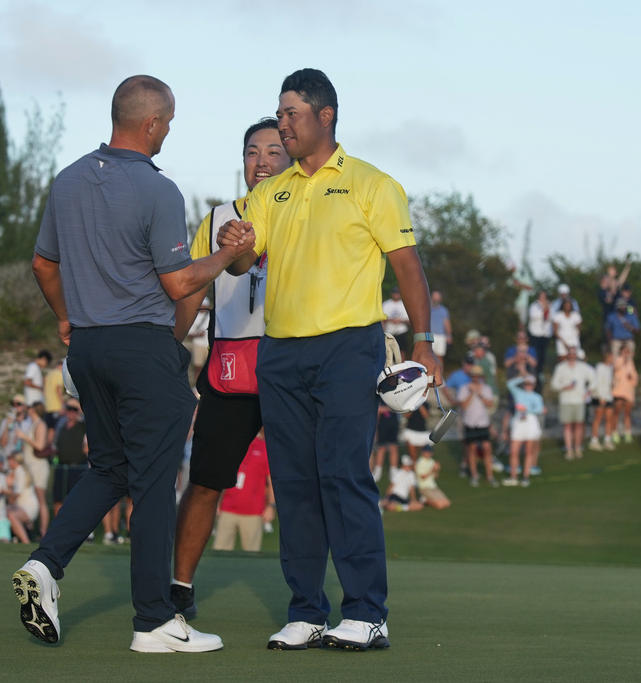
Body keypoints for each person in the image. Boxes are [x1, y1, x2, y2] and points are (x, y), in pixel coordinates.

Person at [15, 75, 246, 652]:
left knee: (111, 469)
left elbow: (44, 267)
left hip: (88, 348)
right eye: (167, 121)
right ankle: (154, 622)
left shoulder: (67, 180)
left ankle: (45, 565)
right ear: (151, 123)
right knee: (151, 485)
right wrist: (227, 253)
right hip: (142, 350)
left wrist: (67, 320)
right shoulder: (157, 189)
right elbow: (178, 281)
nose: (168, 130)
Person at [215, 68, 442, 652]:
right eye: (280, 113)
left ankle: (367, 612)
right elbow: (244, 265)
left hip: (348, 347)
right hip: (282, 352)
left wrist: (425, 340)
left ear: (326, 116)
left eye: (291, 114)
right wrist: (235, 249)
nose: (282, 124)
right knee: (293, 483)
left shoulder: (373, 184)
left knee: (343, 475)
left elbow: (408, 266)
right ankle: (307, 611)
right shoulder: (272, 191)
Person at [168, 117, 291, 621]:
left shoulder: (308, 212)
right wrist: (164, 344)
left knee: (300, 488)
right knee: (205, 482)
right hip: (229, 369)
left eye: (273, 152)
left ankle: (309, 601)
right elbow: (190, 289)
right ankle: (178, 587)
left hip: (291, 367)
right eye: (252, 152)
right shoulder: (218, 216)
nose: (261, 162)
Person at [212, 430, 275, 551]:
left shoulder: (264, 447)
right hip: (227, 508)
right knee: (219, 551)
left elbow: (271, 480)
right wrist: (216, 501)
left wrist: (271, 505)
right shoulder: (231, 446)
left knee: (252, 554)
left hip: (253, 511)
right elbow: (221, 475)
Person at [15, 402, 51, 538]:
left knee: (40, 498)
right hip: (31, 465)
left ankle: (43, 532)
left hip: (38, 466)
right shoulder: (33, 423)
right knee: (32, 497)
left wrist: (24, 437)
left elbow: (40, 446)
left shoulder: (40, 424)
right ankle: (31, 530)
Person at [551, 347, 596, 459]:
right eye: (570, 353)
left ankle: (577, 448)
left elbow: (594, 379)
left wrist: (589, 392)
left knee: (579, 425)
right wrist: (564, 387)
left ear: (576, 355)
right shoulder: (560, 367)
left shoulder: (583, 367)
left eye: (573, 353)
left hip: (579, 400)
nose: (572, 355)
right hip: (566, 400)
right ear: (567, 355)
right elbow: (554, 384)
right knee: (567, 425)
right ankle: (569, 450)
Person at [457, 365, 497, 486]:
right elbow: (463, 406)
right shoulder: (464, 388)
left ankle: (490, 476)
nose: (475, 378)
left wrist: (479, 394)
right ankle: (474, 475)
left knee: (487, 448)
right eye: (474, 375)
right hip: (470, 422)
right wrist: (471, 393)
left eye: (477, 376)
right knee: (472, 449)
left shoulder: (486, 388)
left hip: (483, 423)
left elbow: (489, 404)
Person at [504, 374, 544, 487]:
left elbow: (540, 409)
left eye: (530, 384)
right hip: (518, 422)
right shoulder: (519, 393)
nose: (528, 386)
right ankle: (513, 476)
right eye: (527, 383)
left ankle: (526, 476)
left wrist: (527, 409)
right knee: (514, 451)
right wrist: (522, 377)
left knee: (528, 451)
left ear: (534, 385)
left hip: (530, 422)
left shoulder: (537, 396)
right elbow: (509, 384)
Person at [51, 397, 87, 518]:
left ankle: (77, 525)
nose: (70, 412)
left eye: (74, 409)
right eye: (68, 409)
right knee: (58, 497)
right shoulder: (61, 425)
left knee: (77, 498)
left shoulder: (83, 425)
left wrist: (79, 408)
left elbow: (90, 417)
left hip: (77, 467)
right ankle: (58, 526)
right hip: (62, 466)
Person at [6, 453, 40, 545]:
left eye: (9, 459)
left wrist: (7, 488)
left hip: (28, 507)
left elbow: (15, 496)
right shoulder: (12, 472)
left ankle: (25, 542)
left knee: (11, 515)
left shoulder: (20, 472)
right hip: (21, 506)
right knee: (5, 510)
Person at [589, 347, 616, 450]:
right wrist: (600, 397)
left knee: (609, 418)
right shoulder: (600, 367)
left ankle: (607, 439)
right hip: (600, 396)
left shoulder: (610, 368)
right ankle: (594, 440)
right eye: (611, 356)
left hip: (608, 396)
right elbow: (598, 383)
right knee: (598, 418)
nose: (613, 358)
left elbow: (608, 383)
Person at [610, 345, 638, 444]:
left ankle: (627, 433)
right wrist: (623, 361)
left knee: (627, 413)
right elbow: (616, 368)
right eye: (625, 351)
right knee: (616, 412)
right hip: (619, 390)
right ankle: (614, 432)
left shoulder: (631, 363)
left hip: (628, 391)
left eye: (628, 351)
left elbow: (635, 376)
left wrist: (632, 378)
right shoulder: (618, 360)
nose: (626, 353)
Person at [527, 290, 554, 382]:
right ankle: (532, 371)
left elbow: (552, 317)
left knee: (542, 354)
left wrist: (548, 309)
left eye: (544, 296)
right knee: (535, 352)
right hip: (535, 333)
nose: (543, 298)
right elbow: (533, 316)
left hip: (545, 333)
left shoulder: (550, 305)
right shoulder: (534, 305)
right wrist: (544, 310)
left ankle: (540, 372)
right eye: (541, 296)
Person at [552, 296, 583, 362]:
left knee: (578, 357)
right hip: (562, 339)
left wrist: (577, 327)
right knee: (562, 358)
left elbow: (579, 329)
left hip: (573, 339)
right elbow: (555, 331)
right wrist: (563, 342)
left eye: (569, 305)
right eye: (566, 305)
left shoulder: (576, 315)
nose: (568, 306)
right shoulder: (558, 315)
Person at [383, 286, 410, 351]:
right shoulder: (386, 304)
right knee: (388, 351)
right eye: (394, 293)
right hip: (389, 331)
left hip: (401, 331)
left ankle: (401, 361)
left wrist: (400, 321)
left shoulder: (404, 304)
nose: (396, 295)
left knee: (402, 351)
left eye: (397, 293)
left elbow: (409, 320)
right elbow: (381, 319)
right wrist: (391, 320)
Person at [429, 290, 453, 362]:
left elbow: (446, 323)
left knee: (440, 357)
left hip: (441, 336)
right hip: (430, 335)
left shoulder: (444, 310)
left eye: (438, 298)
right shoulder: (427, 308)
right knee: (430, 356)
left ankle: (439, 373)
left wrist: (449, 335)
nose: (436, 300)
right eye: (434, 298)